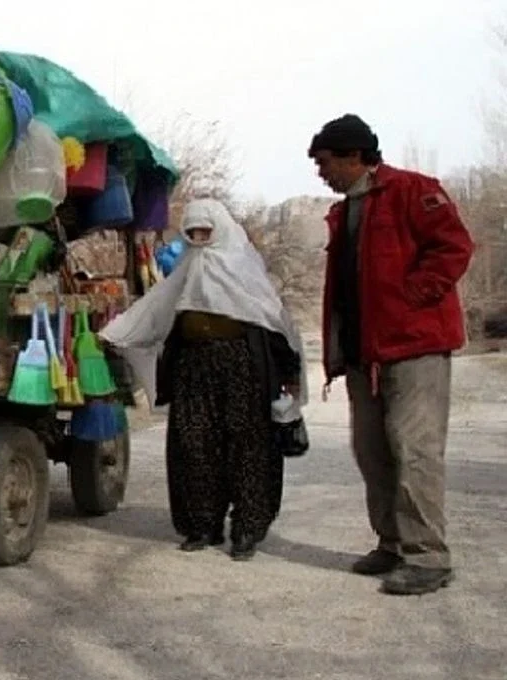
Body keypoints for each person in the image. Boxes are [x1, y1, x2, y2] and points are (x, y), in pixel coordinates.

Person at [307, 114, 474, 595]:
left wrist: (413, 298)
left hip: (414, 348)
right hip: (365, 354)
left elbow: (454, 246)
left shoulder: (412, 190)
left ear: (354, 156)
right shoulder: (344, 213)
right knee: (372, 451)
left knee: (414, 450)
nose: (322, 173)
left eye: (325, 162)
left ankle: (428, 557)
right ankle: (393, 543)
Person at [100, 199, 306, 560]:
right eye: (191, 233)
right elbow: (155, 310)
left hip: (244, 371)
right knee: (194, 448)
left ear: (220, 230)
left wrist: (289, 374)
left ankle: (247, 530)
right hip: (193, 369)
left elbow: (274, 323)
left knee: (248, 450)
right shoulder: (187, 269)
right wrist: (117, 333)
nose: (198, 239)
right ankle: (201, 526)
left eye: (205, 232)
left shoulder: (244, 269)